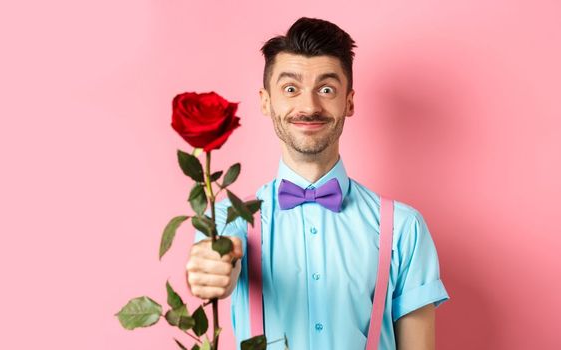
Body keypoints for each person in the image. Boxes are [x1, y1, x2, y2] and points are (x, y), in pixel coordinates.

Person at [185, 17, 450, 350]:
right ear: (266, 101)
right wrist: (210, 269)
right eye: (291, 89)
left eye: (326, 89)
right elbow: (212, 266)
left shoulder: (404, 227)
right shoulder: (227, 219)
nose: (309, 106)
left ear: (349, 102)